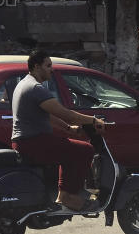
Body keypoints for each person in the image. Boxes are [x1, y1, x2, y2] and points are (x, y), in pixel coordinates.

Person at [10, 49, 106, 211]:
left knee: (69, 150)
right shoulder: (35, 88)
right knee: (85, 150)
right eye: (48, 66)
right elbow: (66, 113)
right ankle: (68, 196)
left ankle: (64, 195)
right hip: (33, 142)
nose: (51, 70)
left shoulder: (23, 84)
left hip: (26, 142)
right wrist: (93, 120)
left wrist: (67, 128)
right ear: (36, 66)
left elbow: (46, 115)